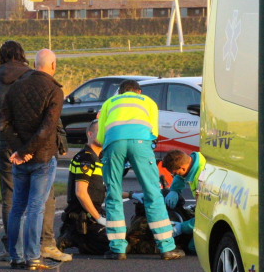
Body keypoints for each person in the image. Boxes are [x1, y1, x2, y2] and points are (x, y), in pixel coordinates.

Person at [0, 41, 70, 263]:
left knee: (12, 201)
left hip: (9, 148)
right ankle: (41, 248)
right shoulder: (46, 86)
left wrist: (19, 150)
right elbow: (48, 125)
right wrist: (28, 149)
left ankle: (13, 251)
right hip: (39, 151)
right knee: (39, 203)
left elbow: (2, 119)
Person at [96, 80, 184, 260]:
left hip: (114, 143)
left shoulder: (109, 103)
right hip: (140, 143)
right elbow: (153, 131)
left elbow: (100, 136)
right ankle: (166, 247)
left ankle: (118, 248)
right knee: (153, 193)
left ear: (119, 92)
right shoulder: (147, 101)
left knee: (113, 193)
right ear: (139, 91)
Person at [56, 120, 134, 255]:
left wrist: (132, 195)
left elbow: (103, 191)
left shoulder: (99, 158)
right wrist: (98, 217)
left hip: (93, 214)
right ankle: (75, 238)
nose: (105, 136)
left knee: (125, 238)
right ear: (90, 134)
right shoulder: (85, 159)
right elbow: (81, 193)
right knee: (118, 247)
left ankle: (76, 237)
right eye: (101, 133)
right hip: (82, 217)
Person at [161, 149, 206, 254]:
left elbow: (206, 217)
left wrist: (183, 227)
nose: (175, 175)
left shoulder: (202, 180)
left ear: (183, 167)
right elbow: (181, 176)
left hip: (218, 215)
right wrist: (174, 190)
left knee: (194, 247)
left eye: (176, 173)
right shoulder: (194, 159)